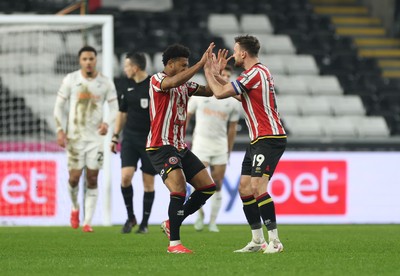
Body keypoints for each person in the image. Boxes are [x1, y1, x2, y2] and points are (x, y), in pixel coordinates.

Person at [203, 35, 287, 254]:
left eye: (235, 50)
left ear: (243, 53)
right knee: (244, 188)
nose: (232, 54)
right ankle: (257, 240)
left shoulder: (254, 73)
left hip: (269, 137)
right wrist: (216, 75)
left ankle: (275, 241)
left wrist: (207, 72)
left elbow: (220, 94)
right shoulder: (259, 73)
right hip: (258, 139)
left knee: (259, 186)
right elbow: (240, 96)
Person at [146, 43, 217, 254]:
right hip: (161, 146)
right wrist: (199, 64)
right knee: (178, 188)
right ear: (170, 64)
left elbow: (209, 91)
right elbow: (173, 81)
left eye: (188, 65)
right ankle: (174, 245)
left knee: (207, 187)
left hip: (180, 147)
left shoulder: (185, 86)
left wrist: (213, 71)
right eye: (183, 65)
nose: (186, 68)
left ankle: (171, 223)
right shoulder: (157, 80)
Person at [54, 45, 118, 232]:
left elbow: (114, 108)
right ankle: (75, 208)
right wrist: (60, 130)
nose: (88, 62)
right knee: (74, 178)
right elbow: (58, 106)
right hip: (75, 138)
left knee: (92, 178)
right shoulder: (71, 79)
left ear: (95, 60)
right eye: (85, 59)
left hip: (96, 139)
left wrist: (107, 122)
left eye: (91, 59)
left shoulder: (105, 82)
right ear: (80, 61)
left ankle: (87, 221)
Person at [187, 65, 241, 232]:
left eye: (228, 75)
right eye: (222, 74)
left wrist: (228, 149)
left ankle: (212, 221)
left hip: (219, 146)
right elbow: (186, 117)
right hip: (201, 144)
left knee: (217, 183)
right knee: (200, 183)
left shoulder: (233, 101)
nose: (224, 77)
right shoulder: (200, 95)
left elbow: (232, 128)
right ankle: (199, 215)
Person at [110, 52, 157, 234]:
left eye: (127, 66)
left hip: (149, 140)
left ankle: (144, 223)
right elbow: (122, 113)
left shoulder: (153, 85)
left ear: (135, 68)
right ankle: (131, 217)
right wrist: (115, 136)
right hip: (129, 138)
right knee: (125, 177)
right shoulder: (125, 84)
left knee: (148, 183)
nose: (125, 69)